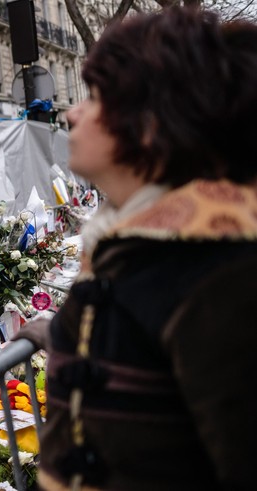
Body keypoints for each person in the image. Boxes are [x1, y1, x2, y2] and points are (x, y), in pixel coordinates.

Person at [16, 6, 257, 490]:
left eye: (98, 98)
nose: (71, 112)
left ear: (150, 123)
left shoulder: (217, 270)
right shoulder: (136, 243)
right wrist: (59, 335)